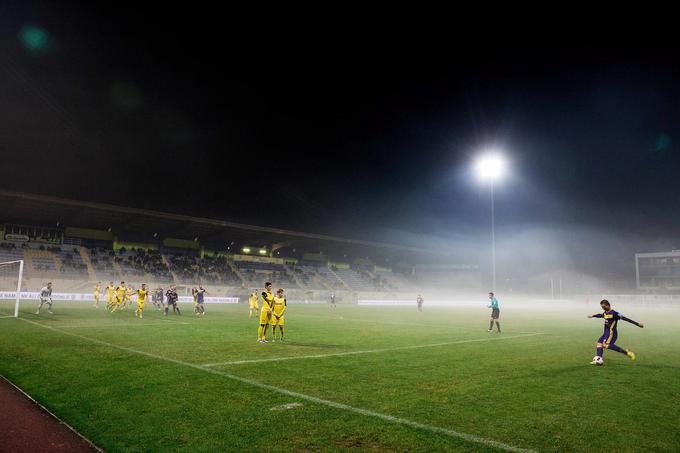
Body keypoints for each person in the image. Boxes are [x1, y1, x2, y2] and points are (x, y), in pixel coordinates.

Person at [588, 299, 644, 364]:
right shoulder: (605, 313)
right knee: (599, 344)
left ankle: (627, 352)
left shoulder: (615, 313)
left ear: (608, 305)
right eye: (602, 307)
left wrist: (637, 324)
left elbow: (625, 319)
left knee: (606, 345)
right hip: (606, 333)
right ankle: (599, 359)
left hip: (611, 333)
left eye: (604, 307)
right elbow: (601, 315)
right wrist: (592, 316)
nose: (603, 308)